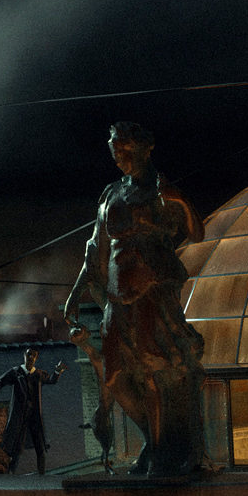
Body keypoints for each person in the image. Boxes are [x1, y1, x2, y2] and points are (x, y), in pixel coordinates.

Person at [62, 123, 207, 477]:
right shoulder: (111, 193)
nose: (118, 159)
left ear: (145, 148)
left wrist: (180, 200)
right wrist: (76, 294)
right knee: (114, 376)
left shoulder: (161, 191)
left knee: (152, 370)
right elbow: (96, 248)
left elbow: (197, 233)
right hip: (116, 295)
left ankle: (159, 452)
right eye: (114, 152)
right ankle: (154, 441)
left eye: (124, 150)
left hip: (150, 290)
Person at [0, 348, 67, 473]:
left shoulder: (38, 374)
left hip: (34, 416)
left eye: (33, 355)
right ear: (24, 355)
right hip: (20, 416)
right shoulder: (16, 373)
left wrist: (58, 371)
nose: (30, 358)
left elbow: (51, 380)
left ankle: (41, 474)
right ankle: (12, 473)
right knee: (16, 446)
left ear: (36, 358)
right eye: (29, 354)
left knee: (39, 446)